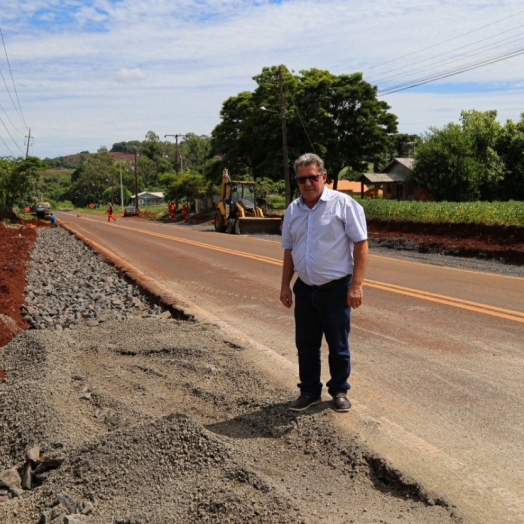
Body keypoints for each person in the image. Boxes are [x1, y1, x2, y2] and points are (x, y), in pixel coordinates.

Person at [280, 153, 368, 413]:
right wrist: (285, 285)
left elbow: (361, 245)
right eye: (301, 179)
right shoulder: (293, 210)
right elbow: (288, 250)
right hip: (305, 290)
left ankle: (339, 390)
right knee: (305, 345)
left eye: (313, 177)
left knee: (338, 345)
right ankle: (309, 391)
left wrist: (357, 285)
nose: (307, 183)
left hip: (336, 290)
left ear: (324, 177)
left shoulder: (343, 204)